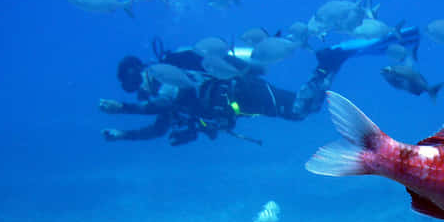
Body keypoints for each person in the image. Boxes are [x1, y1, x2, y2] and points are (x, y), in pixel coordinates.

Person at [100, 28, 420, 145]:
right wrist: (122, 134)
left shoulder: (166, 75)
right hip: (242, 105)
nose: (142, 90)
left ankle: (331, 59)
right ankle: (334, 59)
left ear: (142, 70)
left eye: (136, 83)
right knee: (302, 110)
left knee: (300, 111)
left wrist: (124, 109)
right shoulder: (165, 90)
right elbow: (157, 128)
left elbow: (162, 104)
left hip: (244, 92)